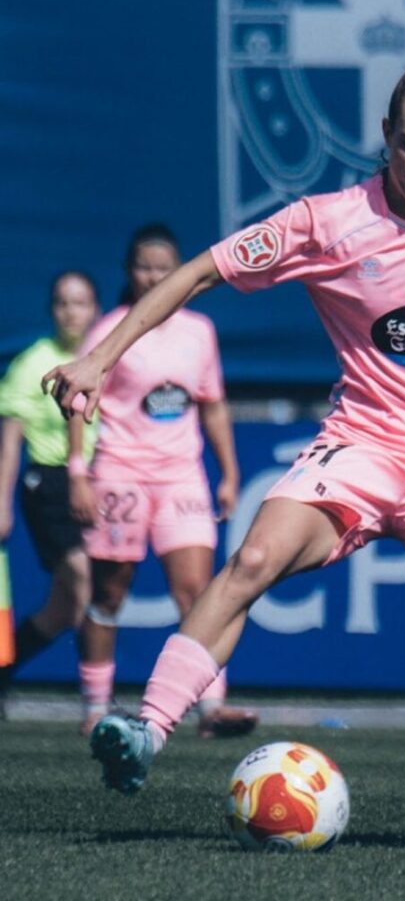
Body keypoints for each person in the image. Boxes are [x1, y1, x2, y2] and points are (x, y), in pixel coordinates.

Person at [43, 45, 405, 859]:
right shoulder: (327, 221)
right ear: (385, 133)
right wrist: (97, 360)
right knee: (253, 559)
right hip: (361, 448)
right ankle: (146, 731)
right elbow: (197, 275)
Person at [67, 224, 257, 740]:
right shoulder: (110, 329)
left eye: (163, 268)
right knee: (109, 591)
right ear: (129, 272)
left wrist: (229, 473)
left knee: (198, 592)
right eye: (144, 267)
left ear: (181, 272)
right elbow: (78, 400)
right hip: (120, 473)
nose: (153, 276)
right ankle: (95, 706)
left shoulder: (199, 331)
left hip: (181, 476)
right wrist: (78, 473)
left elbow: (212, 404)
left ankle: (210, 706)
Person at [0, 272, 100, 711]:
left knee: (62, 610)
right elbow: (10, 442)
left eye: (79, 303)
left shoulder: (106, 357)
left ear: (95, 309)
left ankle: (2, 672)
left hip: (98, 481)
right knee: (83, 581)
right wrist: (2, 503)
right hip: (48, 484)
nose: (70, 312)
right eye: (62, 303)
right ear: (51, 310)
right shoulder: (31, 363)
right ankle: (97, 701)